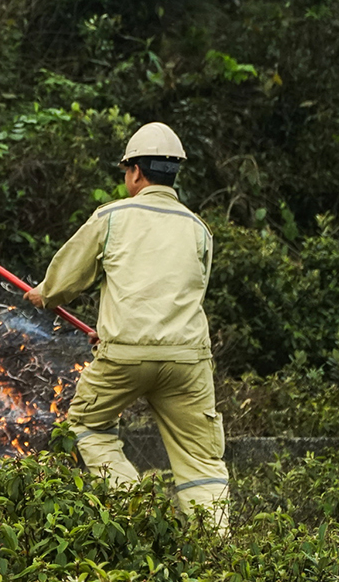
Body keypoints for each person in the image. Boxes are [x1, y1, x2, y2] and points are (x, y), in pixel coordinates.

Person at [26, 123, 229, 531]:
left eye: (126, 171)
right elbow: (184, 294)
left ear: (136, 172)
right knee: (202, 461)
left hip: (124, 357)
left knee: (86, 424)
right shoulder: (199, 230)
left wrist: (43, 295)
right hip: (188, 362)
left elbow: (65, 280)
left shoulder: (112, 217)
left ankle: (137, 508)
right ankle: (216, 551)